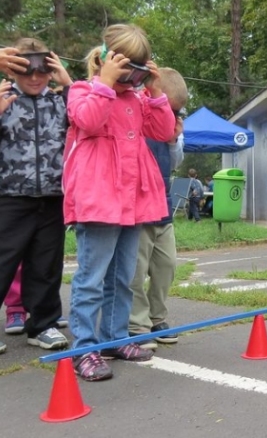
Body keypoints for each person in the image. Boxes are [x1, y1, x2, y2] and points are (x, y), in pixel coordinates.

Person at [64, 24, 175, 380]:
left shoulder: (137, 100)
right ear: (105, 59)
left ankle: (114, 337)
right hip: (99, 200)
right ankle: (84, 348)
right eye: (126, 67)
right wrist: (105, 83)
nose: (133, 78)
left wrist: (155, 91)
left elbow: (163, 131)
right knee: (92, 277)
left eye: (140, 71)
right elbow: (87, 120)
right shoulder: (83, 91)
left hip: (132, 201)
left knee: (124, 276)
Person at [0, 40, 72, 355]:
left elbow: (90, 115)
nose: (34, 78)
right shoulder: (4, 100)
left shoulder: (61, 102)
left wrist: (67, 83)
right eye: (27, 71)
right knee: (3, 262)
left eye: (42, 70)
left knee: (46, 263)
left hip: (53, 197)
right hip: (10, 197)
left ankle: (42, 324)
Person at [128, 68, 186, 350]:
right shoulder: (137, 110)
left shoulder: (173, 123)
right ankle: (137, 324)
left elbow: (175, 164)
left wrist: (174, 140)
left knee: (167, 265)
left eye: (177, 112)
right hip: (139, 208)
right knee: (136, 270)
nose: (172, 116)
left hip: (163, 208)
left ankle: (158, 317)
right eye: (170, 108)